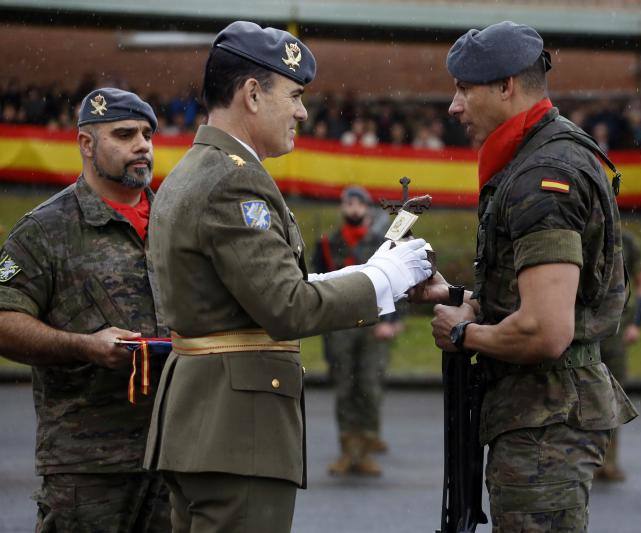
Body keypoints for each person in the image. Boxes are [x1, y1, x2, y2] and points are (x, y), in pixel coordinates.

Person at [144, 21, 431, 533]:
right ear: (252, 94)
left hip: (203, 422)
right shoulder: (234, 179)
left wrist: (365, 271)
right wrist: (385, 277)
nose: (302, 111)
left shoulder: (196, 168)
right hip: (238, 432)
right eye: (294, 95)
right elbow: (285, 306)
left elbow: (247, 291)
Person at [412, 21, 638, 532]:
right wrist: (456, 295)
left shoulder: (543, 177)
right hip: (541, 417)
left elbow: (546, 329)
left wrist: (461, 332)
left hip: (545, 425)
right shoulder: (541, 156)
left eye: (464, 89)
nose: (454, 106)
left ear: (506, 86)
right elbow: (540, 301)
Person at [0, 88, 170, 531]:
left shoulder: (178, 221)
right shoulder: (45, 229)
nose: (142, 145)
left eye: (147, 134)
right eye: (124, 134)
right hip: (88, 464)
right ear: (86, 144)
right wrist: (85, 347)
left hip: (177, 454)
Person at [313, 186, 402, 477]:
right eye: (347, 203)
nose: (352, 208)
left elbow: (394, 282)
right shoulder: (328, 242)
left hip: (374, 324)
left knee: (369, 386)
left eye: (357, 203)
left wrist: (392, 321)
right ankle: (347, 450)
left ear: (366, 209)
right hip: (340, 325)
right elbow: (317, 282)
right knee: (344, 387)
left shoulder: (380, 242)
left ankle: (365, 447)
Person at [596, 228, 641, 481]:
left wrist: (637, 323)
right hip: (585, 330)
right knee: (584, 394)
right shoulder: (582, 233)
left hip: (615, 330)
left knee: (613, 393)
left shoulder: (627, 242)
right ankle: (589, 460)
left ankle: (610, 461)